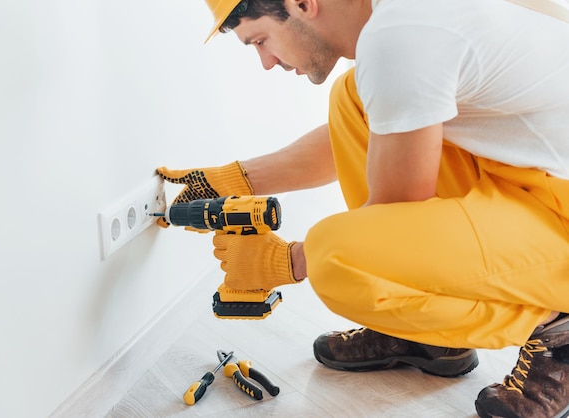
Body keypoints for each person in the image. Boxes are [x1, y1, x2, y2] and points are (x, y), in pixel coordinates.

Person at [157, 0, 569, 416]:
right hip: (529, 178)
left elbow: (395, 221)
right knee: (352, 99)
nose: (266, 62)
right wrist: (227, 181)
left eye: (261, 40)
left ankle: (559, 331)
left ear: (302, 4)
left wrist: (285, 262)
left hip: (558, 212)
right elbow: (390, 125)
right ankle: (431, 337)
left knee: (335, 257)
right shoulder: (400, 21)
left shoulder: (399, 37)